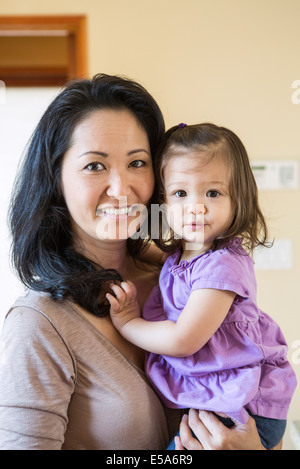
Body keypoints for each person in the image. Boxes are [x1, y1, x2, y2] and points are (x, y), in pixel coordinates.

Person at [0, 74, 279, 451]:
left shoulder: (185, 278)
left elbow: (259, 404)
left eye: (138, 162)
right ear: (55, 179)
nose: (121, 188)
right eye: (94, 166)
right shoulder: (38, 324)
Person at [107, 123, 297, 450]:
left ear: (239, 199)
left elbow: (183, 340)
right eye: (181, 193)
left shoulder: (222, 266)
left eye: (213, 193)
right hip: (224, 396)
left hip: (244, 405)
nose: (196, 207)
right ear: (163, 203)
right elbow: (151, 253)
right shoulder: (182, 257)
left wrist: (128, 322)